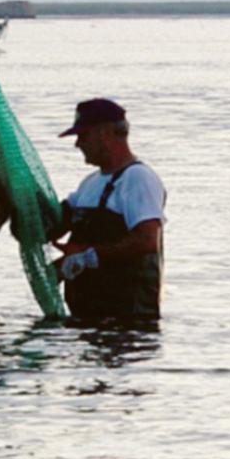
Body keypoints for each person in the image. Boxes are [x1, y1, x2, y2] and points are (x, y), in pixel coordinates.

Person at [48, 99, 166, 320]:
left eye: (83, 136)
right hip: (86, 319)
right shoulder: (89, 184)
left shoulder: (138, 179)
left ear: (105, 134)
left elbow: (147, 241)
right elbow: (56, 226)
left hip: (128, 323)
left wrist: (87, 257)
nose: (77, 144)